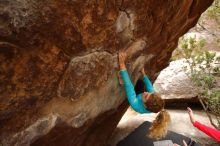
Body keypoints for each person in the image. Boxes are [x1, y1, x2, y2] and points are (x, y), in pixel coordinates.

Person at [118, 52, 171, 139]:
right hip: (140, 98)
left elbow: (128, 86)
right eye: (149, 94)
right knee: (140, 83)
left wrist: (122, 64)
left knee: (130, 88)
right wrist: (143, 73)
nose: (146, 93)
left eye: (146, 96)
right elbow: (149, 86)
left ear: (145, 105)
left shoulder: (136, 105)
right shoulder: (153, 98)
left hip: (137, 99)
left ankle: (122, 77)